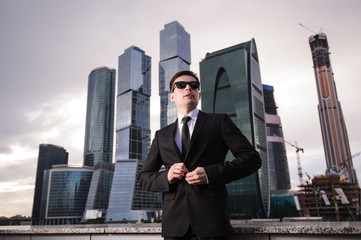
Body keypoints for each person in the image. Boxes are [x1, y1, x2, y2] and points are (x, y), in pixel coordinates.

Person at [138, 70, 261, 240]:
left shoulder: (219, 122)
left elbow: (252, 159)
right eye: (181, 86)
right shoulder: (161, 135)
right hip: (174, 227)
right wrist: (167, 176)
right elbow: (144, 178)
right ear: (172, 96)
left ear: (199, 94)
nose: (188, 88)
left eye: (193, 85)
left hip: (213, 223)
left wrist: (210, 174)